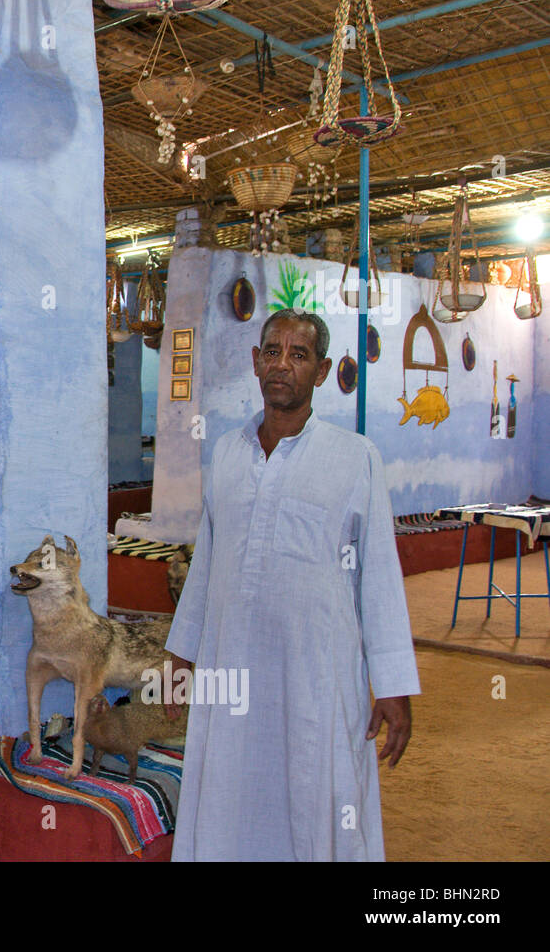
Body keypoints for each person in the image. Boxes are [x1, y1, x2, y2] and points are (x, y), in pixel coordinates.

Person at [165, 308, 419, 861]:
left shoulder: (354, 460)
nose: (283, 365)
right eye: (273, 352)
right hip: (231, 670)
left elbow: (378, 575)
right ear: (256, 363)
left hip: (315, 677)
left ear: (322, 372)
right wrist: (181, 655)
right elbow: (206, 564)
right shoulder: (227, 455)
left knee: (318, 790)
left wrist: (394, 683)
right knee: (229, 792)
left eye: (299, 355)